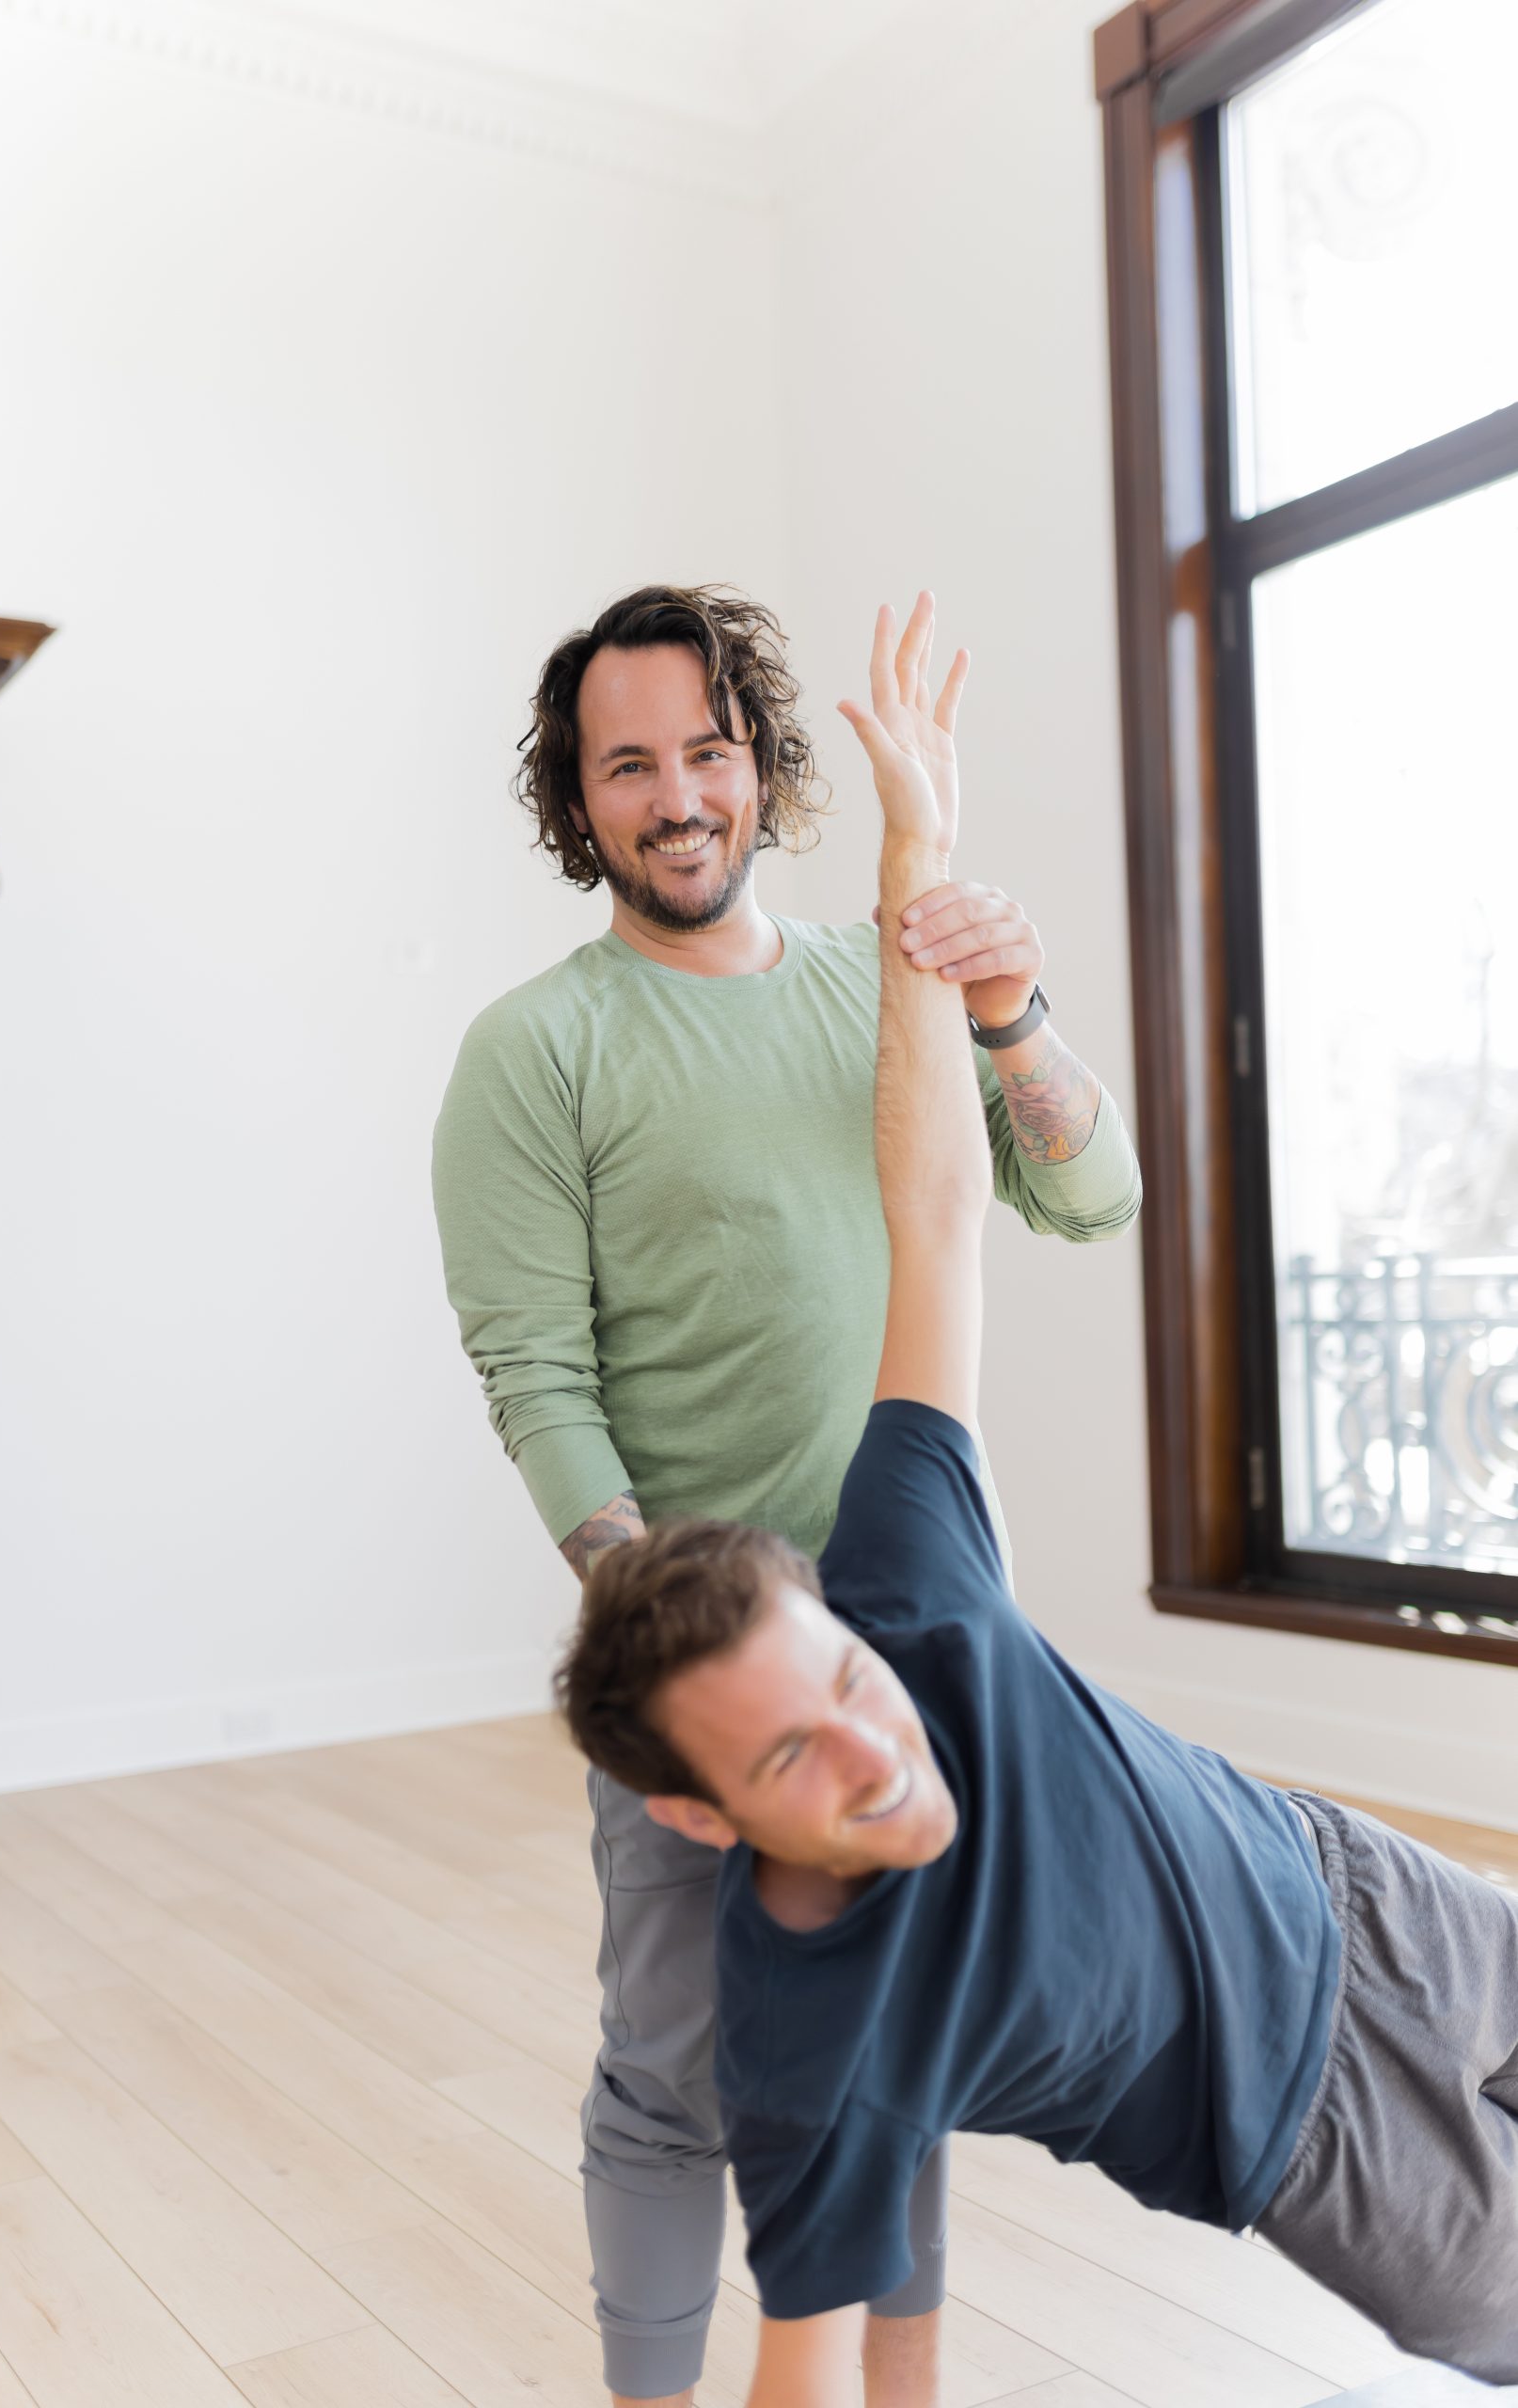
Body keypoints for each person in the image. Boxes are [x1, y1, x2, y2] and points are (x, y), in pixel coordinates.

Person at [555, 598, 1518, 2406]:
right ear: (701, 1821)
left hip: (1363, 1891)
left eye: (843, 1694)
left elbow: (953, 1212)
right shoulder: (810, 2031)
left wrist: (929, 849)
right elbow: (819, 2353)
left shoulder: (904, 1590)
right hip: (1323, 2144)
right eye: (791, 1769)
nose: (878, 1752)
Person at [432, 584, 1143, 2404]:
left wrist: (1003, 1010)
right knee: (674, 2074)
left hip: (908, 1630)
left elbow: (1089, 1195)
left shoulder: (880, 973)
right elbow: (542, 1384)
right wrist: (676, 1660)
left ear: (761, 764)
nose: (678, 796)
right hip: (701, 1657)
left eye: (708, 750)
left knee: (893, 2053)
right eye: (629, 766)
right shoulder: (537, 1052)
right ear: (574, 799)